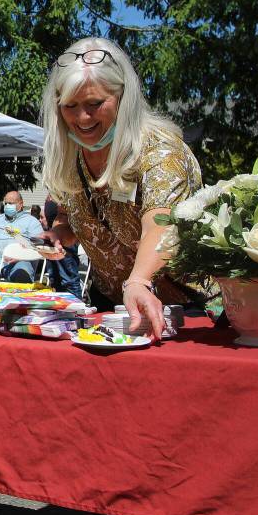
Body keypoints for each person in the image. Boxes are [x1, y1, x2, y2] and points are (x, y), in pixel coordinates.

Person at [38, 36, 202, 338]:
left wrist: (139, 281)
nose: (81, 118)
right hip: (115, 309)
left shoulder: (161, 150)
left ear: (124, 97)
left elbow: (162, 223)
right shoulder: (70, 155)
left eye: (95, 104)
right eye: (70, 106)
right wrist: (58, 234)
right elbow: (70, 214)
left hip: (187, 311)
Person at [0, 191, 45, 282]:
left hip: (20, 262)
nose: (7, 206)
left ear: (21, 204)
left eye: (10, 203)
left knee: (22, 272)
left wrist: (20, 256)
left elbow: (38, 246)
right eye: (5, 203)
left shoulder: (32, 222)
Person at [43, 195, 83, 298]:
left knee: (68, 277)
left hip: (66, 236)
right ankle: (58, 305)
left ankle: (75, 305)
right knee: (54, 277)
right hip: (55, 233)